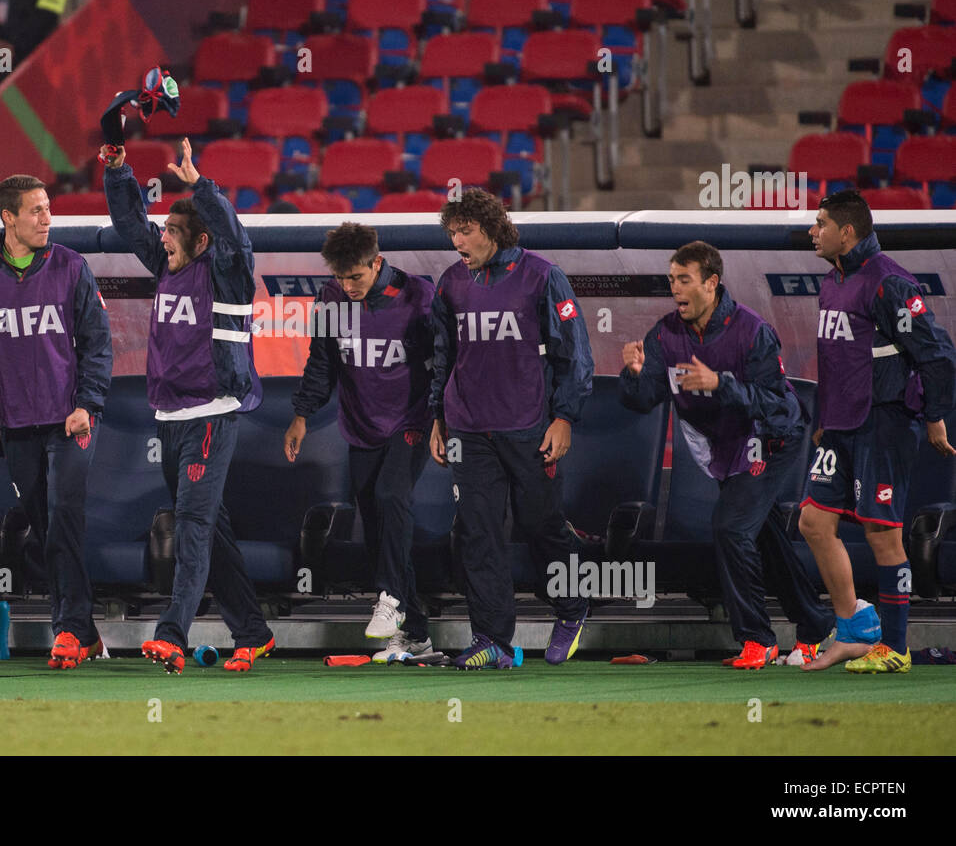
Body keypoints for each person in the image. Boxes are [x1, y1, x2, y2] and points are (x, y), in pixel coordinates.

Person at [619, 241, 835, 669]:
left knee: (732, 527)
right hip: (721, 447)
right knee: (762, 534)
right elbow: (645, 400)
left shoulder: (752, 331)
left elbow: (778, 406)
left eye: (685, 280)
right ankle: (815, 625)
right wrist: (634, 375)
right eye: (671, 281)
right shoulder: (664, 334)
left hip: (769, 439)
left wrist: (720, 384)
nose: (676, 290)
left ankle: (758, 639)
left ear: (712, 283)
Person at [103, 137, 275, 674]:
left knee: (193, 526)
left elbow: (236, 237)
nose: (163, 240)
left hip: (210, 412)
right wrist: (119, 170)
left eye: (173, 233)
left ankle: (171, 632)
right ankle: (252, 629)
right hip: (171, 416)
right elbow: (133, 225)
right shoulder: (168, 263)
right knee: (212, 529)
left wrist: (201, 186)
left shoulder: (226, 270)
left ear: (201, 240)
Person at [428, 189, 593, 669]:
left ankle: (571, 606)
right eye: (452, 232)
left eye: (467, 230)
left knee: (542, 524)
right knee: (477, 532)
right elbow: (442, 357)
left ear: (494, 229)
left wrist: (564, 418)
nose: (458, 241)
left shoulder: (542, 276)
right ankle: (493, 640)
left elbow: (574, 353)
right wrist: (436, 418)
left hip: (529, 427)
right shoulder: (450, 283)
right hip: (467, 429)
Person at [0, 175, 113, 670]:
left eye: (49, 208)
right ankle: (85, 632)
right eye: (36, 211)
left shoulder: (71, 267)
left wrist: (87, 404)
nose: (47, 218)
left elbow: (97, 345)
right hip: (16, 425)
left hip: (71, 421)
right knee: (45, 527)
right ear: (8, 218)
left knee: (65, 514)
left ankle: (65, 629)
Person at [799, 190, 956, 673]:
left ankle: (896, 648)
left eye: (820, 223)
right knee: (812, 522)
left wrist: (933, 415)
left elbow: (938, 354)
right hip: (841, 427)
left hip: (883, 424)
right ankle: (855, 629)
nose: (812, 231)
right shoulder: (831, 282)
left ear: (847, 232)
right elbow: (836, 360)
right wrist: (825, 418)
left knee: (882, 535)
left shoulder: (890, 283)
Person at [283, 222, 437, 662]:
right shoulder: (331, 299)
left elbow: (440, 364)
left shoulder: (417, 299)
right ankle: (418, 636)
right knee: (376, 527)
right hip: (362, 425)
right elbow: (322, 361)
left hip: (411, 419)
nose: (347, 286)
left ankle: (389, 599)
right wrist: (301, 416)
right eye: (341, 277)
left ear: (377, 263)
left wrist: (443, 419)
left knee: (392, 497)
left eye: (356, 276)